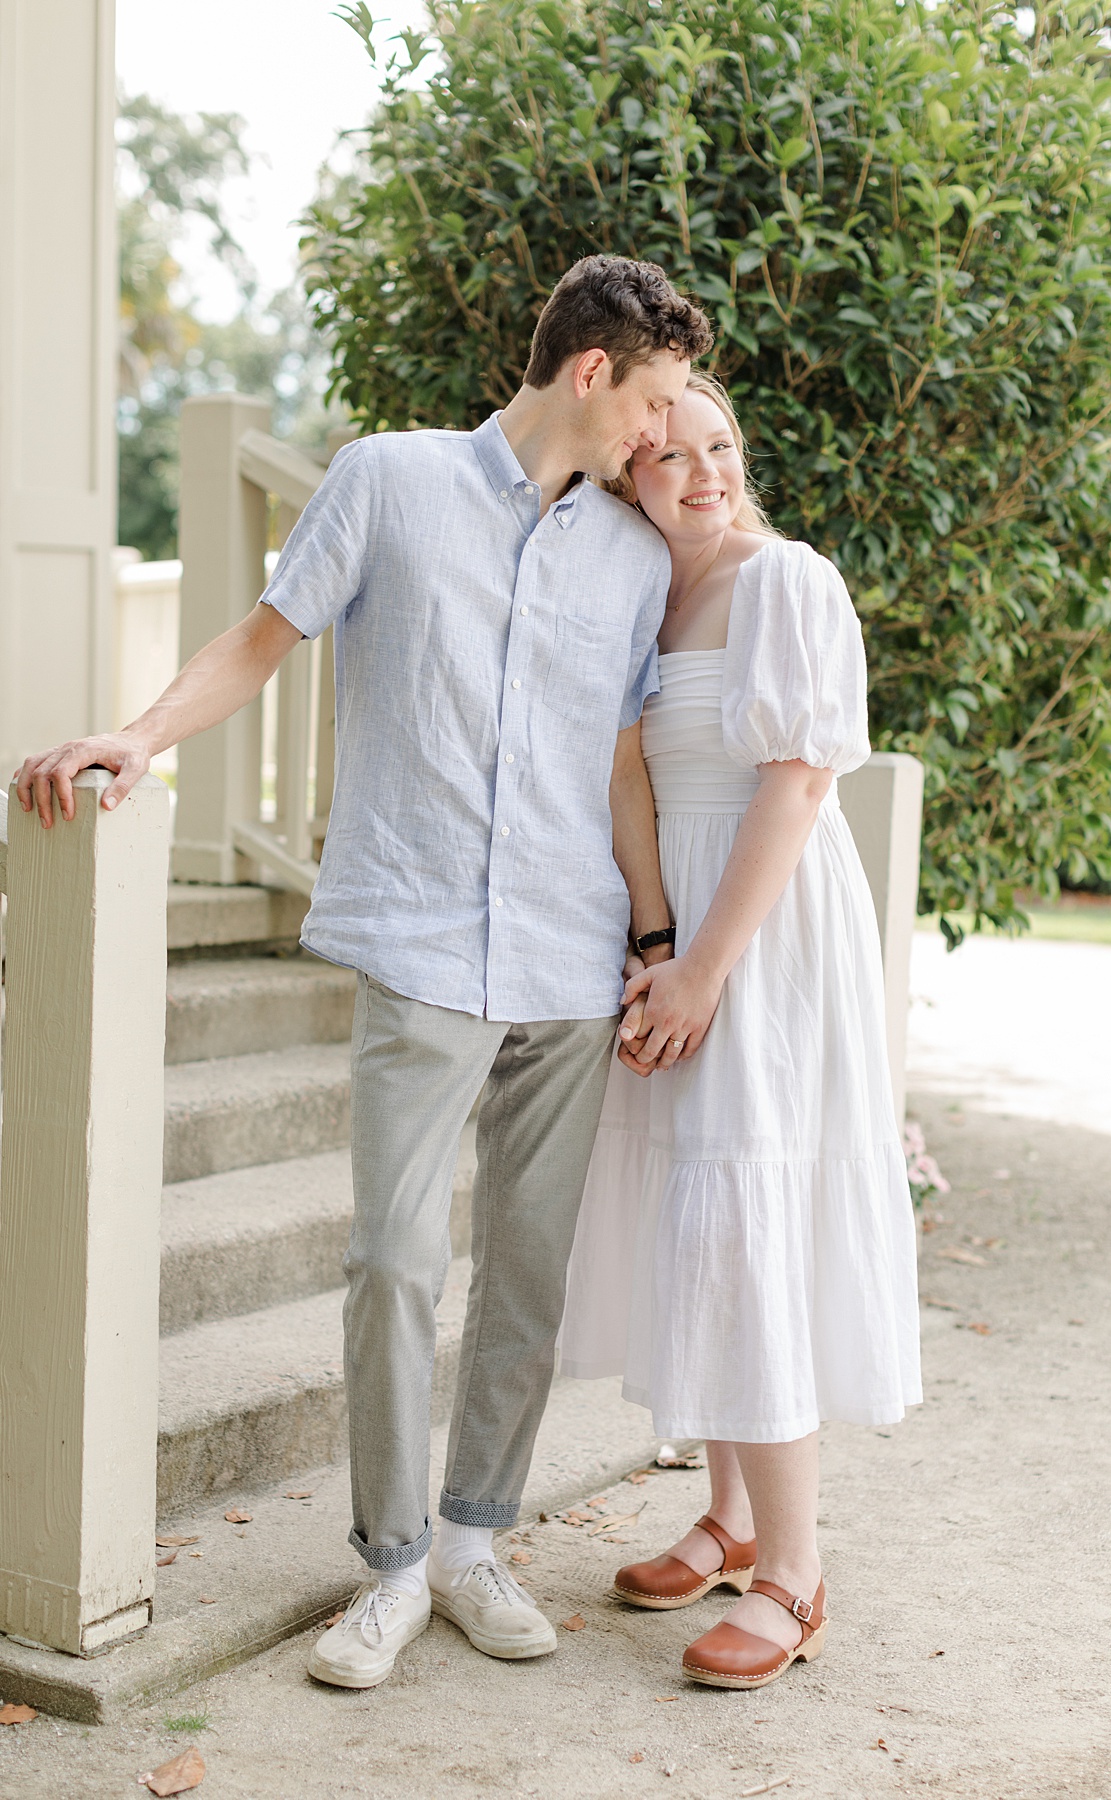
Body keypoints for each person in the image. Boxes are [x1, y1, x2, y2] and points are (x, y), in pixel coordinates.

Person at [14, 256, 713, 1690]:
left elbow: (624, 768)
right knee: (392, 1257)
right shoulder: (389, 481)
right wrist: (138, 739)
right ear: (592, 372)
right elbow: (263, 638)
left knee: (528, 1269)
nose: (662, 432)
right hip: (419, 939)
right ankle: (393, 1564)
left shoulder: (635, 556)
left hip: (570, 957)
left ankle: (474, 1543)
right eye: (655, 401)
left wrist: (655, 941)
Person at [558, 372, 922, 1690]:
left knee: (750, 1213)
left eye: (721, 446)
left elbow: (800, 783)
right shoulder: (641, 596)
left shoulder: (786, 581)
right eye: (673, 456)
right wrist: (656, 945)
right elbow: (627, 780)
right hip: (686, 940)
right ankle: (728, 1521)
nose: (706, 472)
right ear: (628, 475)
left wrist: (707, 969)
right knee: (701, 1219)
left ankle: (796, 1574)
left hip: (766, 937)